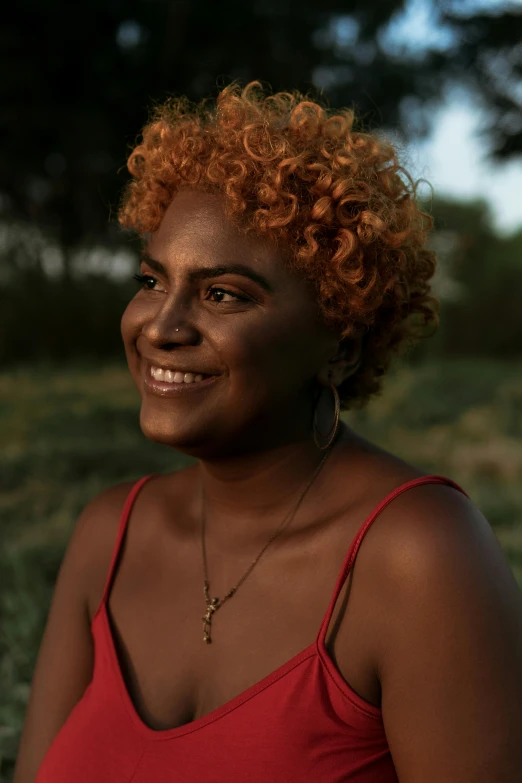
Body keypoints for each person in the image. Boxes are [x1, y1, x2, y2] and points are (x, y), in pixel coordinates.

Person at [15, 82, 522, 783]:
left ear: (340, 345)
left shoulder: (420, 556)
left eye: (223, 293)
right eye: (152, 280)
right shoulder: (108, 535)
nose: (161, 326)